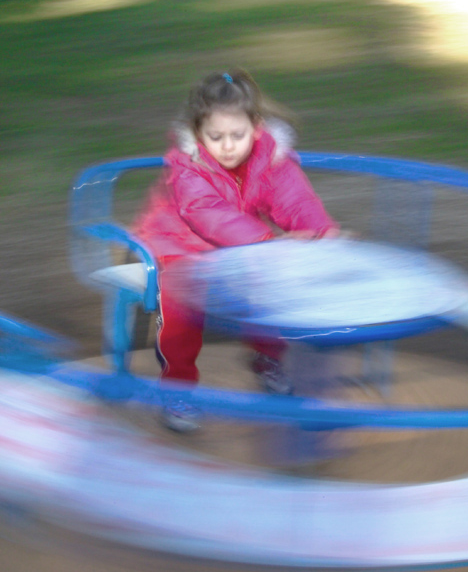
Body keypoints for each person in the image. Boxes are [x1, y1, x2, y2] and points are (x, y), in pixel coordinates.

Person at [131, 69, 339, 432]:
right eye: (216, 137)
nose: (228, 146)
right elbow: (205, 212)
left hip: (242, 247)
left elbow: (295, 200)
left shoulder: (271, 158)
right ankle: (177, 389)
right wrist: (266, 243)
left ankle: (268, 359)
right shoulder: (188, 165)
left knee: (267, 290)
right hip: (179, 244)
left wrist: (320, 232)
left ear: (256, 127)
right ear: (197, 133)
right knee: (180, 309)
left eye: (237, 136)